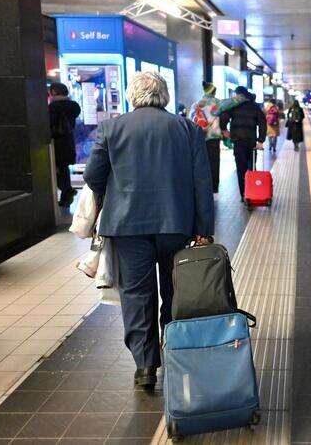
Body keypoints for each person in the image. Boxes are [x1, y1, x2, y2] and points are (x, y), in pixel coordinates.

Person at [83, 72, 214, 387]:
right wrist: (204, 228)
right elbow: (202, 183)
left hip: (128, 227)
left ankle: (145, 367)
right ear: (164, 96)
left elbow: (92, 176)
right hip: (177, 225)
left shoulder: (111, 128)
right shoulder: (187, 129)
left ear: (132, 96)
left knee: (137, 294)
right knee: (175, 291)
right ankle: (174, 352)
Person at [219, 86, 267, 201]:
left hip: (238, 142)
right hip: (251, 142)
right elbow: (262, 123)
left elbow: (223, 117)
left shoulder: (233, 106)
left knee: (241, 169)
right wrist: (260, 141)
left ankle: (244, 195)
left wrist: (224, 130)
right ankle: (251, 192)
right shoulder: (254, 106)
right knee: (251, 168)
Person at [48, 82, 81, 206]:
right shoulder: (73, 106)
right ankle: (66, 195)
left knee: (58, 170)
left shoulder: (53, 108)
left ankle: (67, 191)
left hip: (56, 144)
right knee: (63, 168)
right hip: (68, 142)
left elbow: (50, 126)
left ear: (54, 92)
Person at [192, 82, 223, 193]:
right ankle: (214, 187)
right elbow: (223, 118)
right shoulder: (218, 103)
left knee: (201, 162)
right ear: (213, 91)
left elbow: (192, 120)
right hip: (214, 137)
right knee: (214, 162)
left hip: (200, 136)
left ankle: (202, 188)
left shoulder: (197, 104)